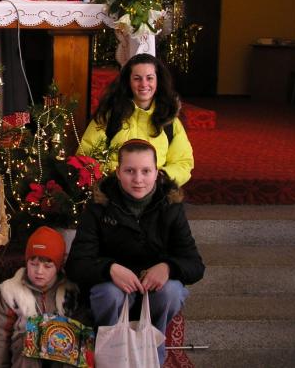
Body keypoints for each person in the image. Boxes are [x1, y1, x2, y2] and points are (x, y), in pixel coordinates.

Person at [65, 139, 205, 366]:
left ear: (157, 173)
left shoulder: (171, 206)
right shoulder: (98, 207)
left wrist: (168, 267)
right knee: (109, 294)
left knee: (172, 291)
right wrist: (109, 269)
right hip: (113, 289)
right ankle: (109, 355)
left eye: (146, 171)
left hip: (153, 293)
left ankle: (151, 352)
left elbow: (195, 265)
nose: (138, 179)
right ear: (118, 172)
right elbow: (76, 264)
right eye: (130, 171)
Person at [79, 53, 194, 185]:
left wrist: (160, 178)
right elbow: (86, 156)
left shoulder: (170, 121)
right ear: (128, 81)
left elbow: (183, 163)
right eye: (137, 78)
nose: (144, 84)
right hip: (114, 189)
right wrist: (116, 178)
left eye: (149, 78)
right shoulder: (108, 117)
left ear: (158, 81)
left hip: (156, 190)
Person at [0, 226, 82, 368]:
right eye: (34, 264)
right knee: (27, 343)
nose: (39, 271)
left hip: (60, 349)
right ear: (26, 262)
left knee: (71, 342)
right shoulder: (12, 291)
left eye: (47, 266)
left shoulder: (70, 291)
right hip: (24, 352)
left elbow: (81, 326)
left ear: (58, 267)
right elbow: (0, 334)